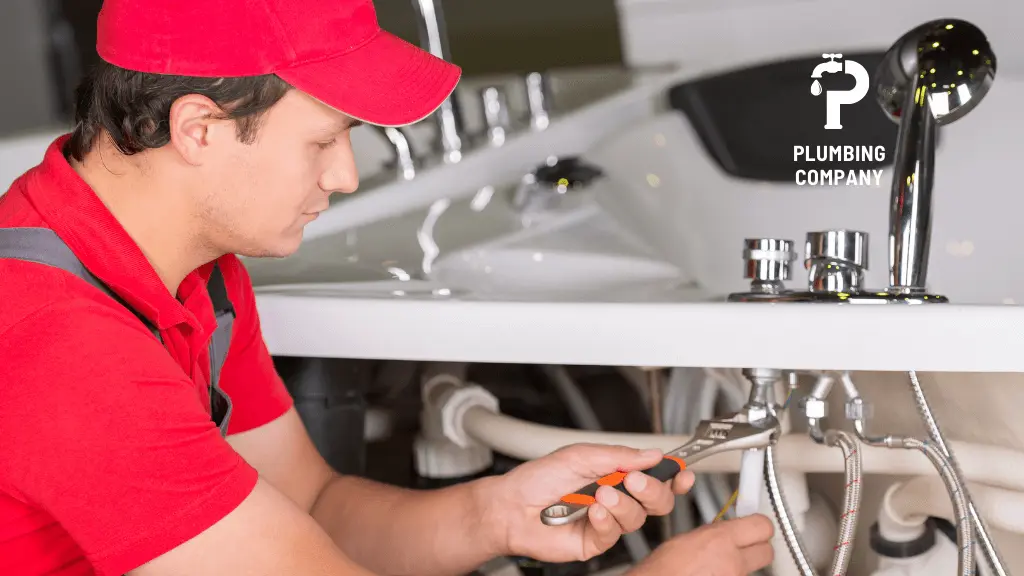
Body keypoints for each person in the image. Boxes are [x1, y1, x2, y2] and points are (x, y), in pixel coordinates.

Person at [0, 0, 776, 574]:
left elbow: (312, 507)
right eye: (324, 139)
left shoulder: (195, 273)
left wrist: (494, 512)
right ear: (198, 128)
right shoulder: (63, 344)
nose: (342, 176)